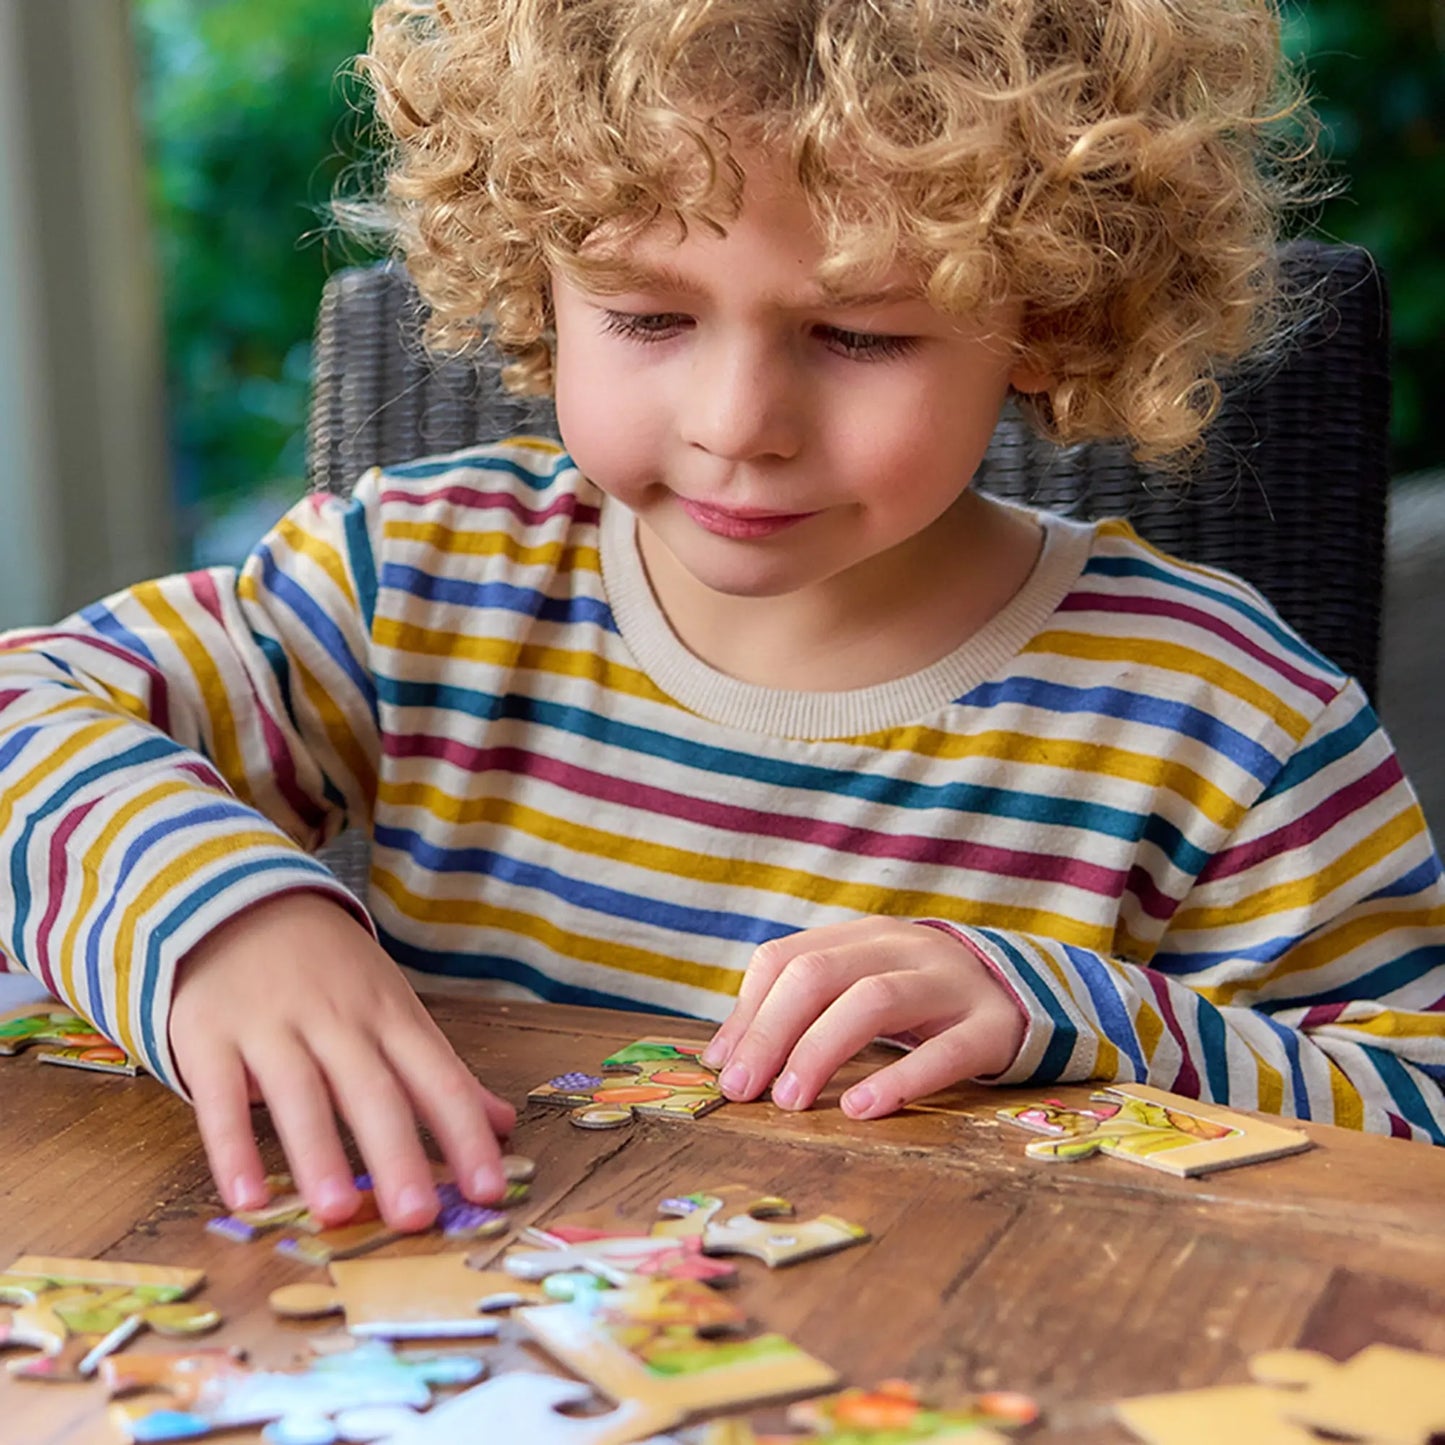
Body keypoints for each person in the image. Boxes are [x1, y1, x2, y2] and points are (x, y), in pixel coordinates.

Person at [2, 0, 1442, 1236]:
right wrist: (216, 921)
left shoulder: (1234, 717)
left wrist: (1093, 1016)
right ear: (532, 272)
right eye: (644, 316)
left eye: (859, 333)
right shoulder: (411, 583)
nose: (737, 424)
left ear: (1054, 308)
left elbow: (1418, 1120)